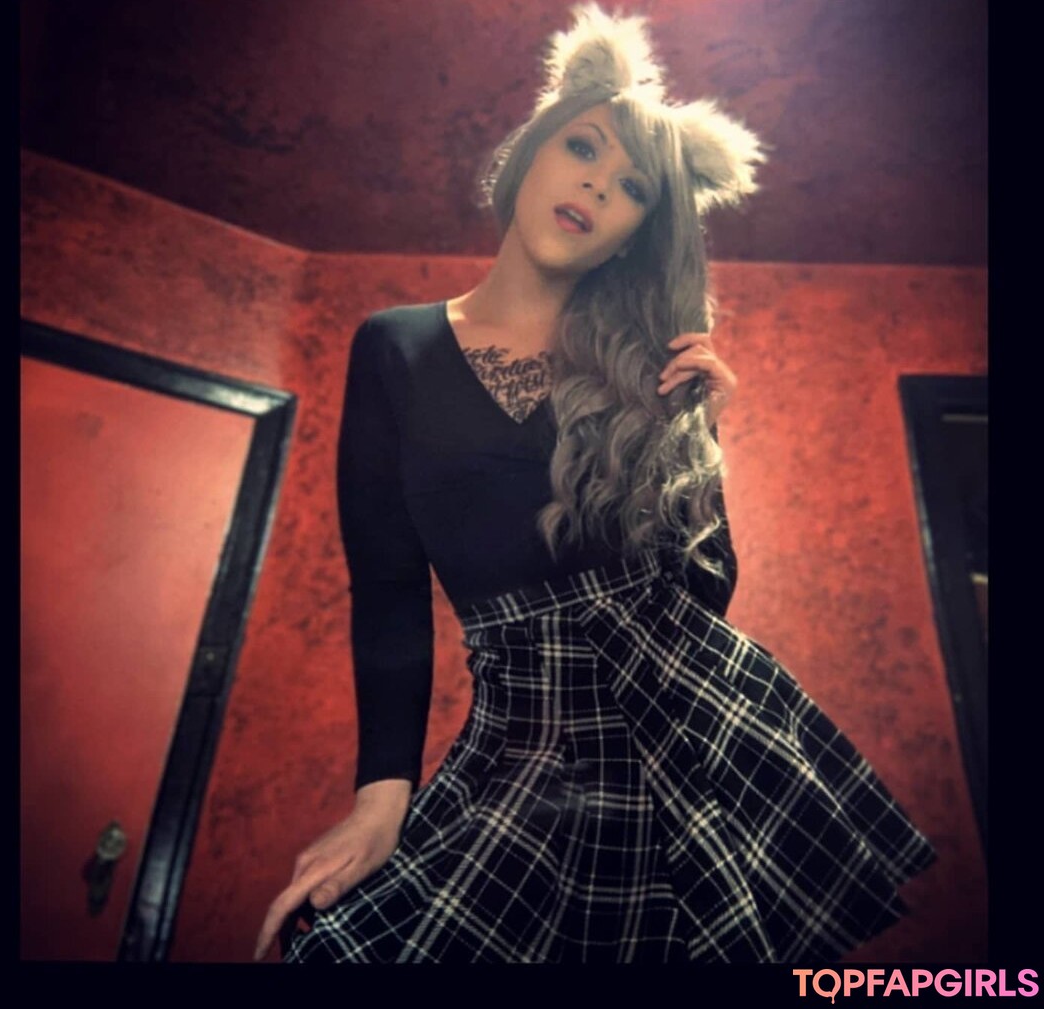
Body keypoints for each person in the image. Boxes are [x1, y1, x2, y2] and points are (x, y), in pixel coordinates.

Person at [255, 3, 935, 963]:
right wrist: (381, 796)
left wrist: (699, 441)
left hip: (695, 739)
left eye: (631, 188)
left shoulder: (643, 372)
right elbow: (390, 585)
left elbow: (703, 596)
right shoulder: (393, 347)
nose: (596, 185)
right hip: (519, 738)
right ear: (530, 153)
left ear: (629, 237)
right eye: (582, 148)